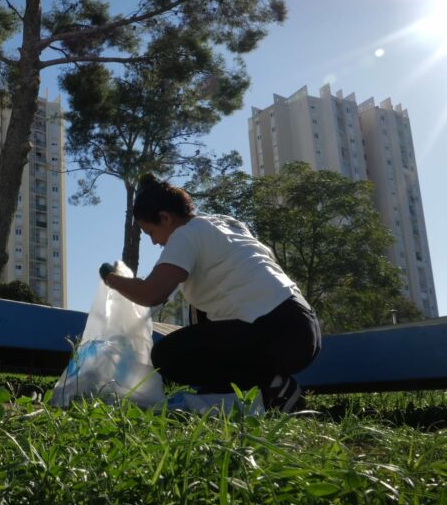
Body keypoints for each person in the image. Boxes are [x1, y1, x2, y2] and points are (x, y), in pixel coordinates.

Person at [99, 174, 321, 412]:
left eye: (150, 232)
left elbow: (152, 294)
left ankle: (273, 387)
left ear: (165, 218)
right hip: (304, 328)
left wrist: (110, 278)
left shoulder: (184, 234)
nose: (154, 243)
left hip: (277, 331)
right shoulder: (225, 223)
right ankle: (243, 394)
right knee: (202, 330)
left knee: (168, 355)